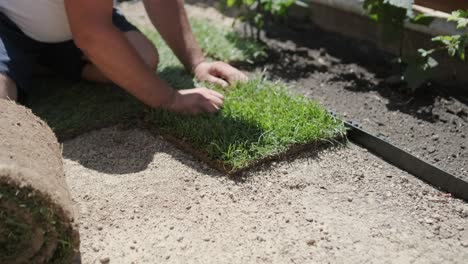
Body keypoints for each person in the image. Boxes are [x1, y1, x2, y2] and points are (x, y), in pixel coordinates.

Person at [0, 0, 247, 115]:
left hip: (72, 20)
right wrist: (169, 98)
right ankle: (27, 62)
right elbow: (92, 33)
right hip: (7, 22)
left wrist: (196, 62)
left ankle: (42, 62)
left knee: (143, 58)